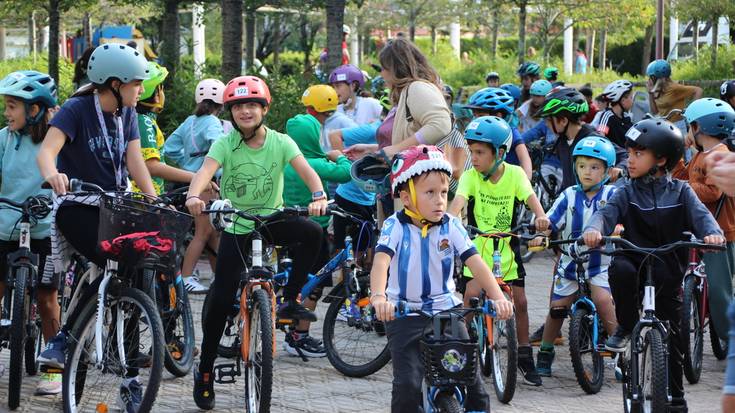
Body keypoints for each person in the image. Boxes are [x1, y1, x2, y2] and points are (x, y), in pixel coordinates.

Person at [185, 75, 328, 410]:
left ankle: (290, 298)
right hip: (237, 224)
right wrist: (194, 194)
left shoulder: (281, 142)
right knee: (220, 300)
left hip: (272, 220)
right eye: (238, 106)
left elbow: (306, 171)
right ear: (231, 112)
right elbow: (205, 171)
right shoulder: (225, 143)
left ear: (264, 108)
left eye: (252, 105)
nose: (245, 112)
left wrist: (318, 194)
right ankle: (205, 371)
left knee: (312, 232)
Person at [36, 43, 158, 411]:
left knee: (138, 270)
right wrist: (53, 175)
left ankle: (132, 377)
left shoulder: (129, 114)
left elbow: (135, 161)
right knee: (110, 257)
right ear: (115, 83)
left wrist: (152, 199)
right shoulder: (76, 109)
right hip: (78, 205)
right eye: (136, 84)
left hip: (115, 205)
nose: (141, 90)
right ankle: (63, 339)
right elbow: (47, 151)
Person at [582, 118, 724, 411]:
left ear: (661, 159)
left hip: (667, 266)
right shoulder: (625, 190)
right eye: (629, 153)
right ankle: (626, 325)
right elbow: (605, 215)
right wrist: (594, 229)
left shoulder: (682, 192)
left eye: (638, 154)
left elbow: (702, 218)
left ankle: (677, 396)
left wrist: (713, 234)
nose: (629, 161)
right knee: (619, 270)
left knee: (674, 336)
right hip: (633, 259)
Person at [369, 144, 514, 412]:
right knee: (408, 384)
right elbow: (381, 262)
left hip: (448, 311)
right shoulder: (395, 226)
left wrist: (497, 296)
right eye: (430, 193)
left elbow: (476, 263)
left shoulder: (451, 224)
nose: (440, 200)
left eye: (444, 192)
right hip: (404, 314)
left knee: (471, 381)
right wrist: (379, 298)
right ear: (407, 197)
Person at [448, 116, 550, 386]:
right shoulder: (470, 177)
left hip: (507, 248)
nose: (475, 158)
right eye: (471, 152)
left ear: (500, 153)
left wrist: (540, 217)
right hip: (478, 249)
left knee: (522, 302)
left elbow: (531, 199)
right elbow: (457, 203)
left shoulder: (515, 175)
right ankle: (462, 346)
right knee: (470, 295)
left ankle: (525, 355)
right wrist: (449, 220)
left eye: (480, 152)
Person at [529, 136, 619, 376]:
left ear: (607, 171)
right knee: (557, 308)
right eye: (581, 166)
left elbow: (621, 219)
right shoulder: (568, 195)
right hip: (570, 263)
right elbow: (550, 220)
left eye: (594, 167)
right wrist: (542, 232)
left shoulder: (612, 195)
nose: (587, 172)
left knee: (602, 301)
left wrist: (619, 228)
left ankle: (620, 352)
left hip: (600, 264)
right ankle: (546, 351)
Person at [0, 70, 61, 395]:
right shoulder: (4, 139)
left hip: (44, 228)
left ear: (34, 110)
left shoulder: (56, 139)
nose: (7, 113)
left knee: (47, 298)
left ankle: (53, 367)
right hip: (6, 225)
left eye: (12, 106)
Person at [283, 89, 352, 358]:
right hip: (315, 230)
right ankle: (300, 335)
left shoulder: (285, 160)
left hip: (287, 226)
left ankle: (290, 324)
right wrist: (338, 156)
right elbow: (346, 174)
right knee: (315, 280)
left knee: (295, 278)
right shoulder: (313, 163)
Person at [672, 98, 735, 341]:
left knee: (720, 293)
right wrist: (679, 153)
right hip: (703, 231)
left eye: (688, 126)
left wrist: (684, 187)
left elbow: (713, 191)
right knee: (710, 288)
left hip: (720, 233)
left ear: (698, 127)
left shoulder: (721, 155)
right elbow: (681, 176)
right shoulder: (700, 154)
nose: (687, 131)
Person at [163, 78, 228, 292]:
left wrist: (187, 164)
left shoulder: (190, 121)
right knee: (204, 232)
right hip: (207, 185)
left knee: (212, 232)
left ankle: (223, 277)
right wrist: (214, 169)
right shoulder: (212, 122)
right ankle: (187, 277)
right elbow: (218, 146)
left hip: (192, 181)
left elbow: (170, 148)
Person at [536, 87, 626, 190]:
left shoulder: (592, 139)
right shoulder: (563, 141)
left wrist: (619, 168)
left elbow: (625, 155)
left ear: (564, 121)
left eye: (548, 120)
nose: (546, 124)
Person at [646, 59, 702, 135]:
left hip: (677, 126)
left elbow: (698, 90)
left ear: (658, 77)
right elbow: (655, 112)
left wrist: (692, 111)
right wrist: (650, 93)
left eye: (651, 77)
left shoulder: (674, 88)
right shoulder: (659, 90)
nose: (649, 80)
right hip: (664, 125)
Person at [595, 79, 634, 167]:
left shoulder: (626, 117)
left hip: (628, 157)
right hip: (615, 160)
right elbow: (601, 136)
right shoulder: (607, 115)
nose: (633, 101)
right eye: (631, 97)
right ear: (623, 101)